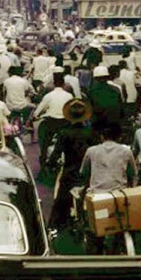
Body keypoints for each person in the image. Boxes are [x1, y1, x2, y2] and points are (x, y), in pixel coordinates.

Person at [80, 122, 138, 280]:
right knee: (121, 231)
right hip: (119, 197)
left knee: (93, 238)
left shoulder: (91, 151)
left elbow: (84, 172)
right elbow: (133, 175)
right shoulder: (126, 151)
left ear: (101, 137)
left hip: (98, 200)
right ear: (120, 137)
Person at [46, 99, 96, 231]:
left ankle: (55, 227)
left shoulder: (64, 133)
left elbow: (56, 153)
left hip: (70, 172)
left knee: (61, 201)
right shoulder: (90, 132)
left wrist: (50, 165)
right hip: (88, 173)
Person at [33, 68, 74, 170]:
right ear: (63, 84)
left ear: (54, 84)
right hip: (66, 123)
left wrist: (36, 117)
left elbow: (37, 112)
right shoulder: (69, 96)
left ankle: (43, 160)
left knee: (45, 143)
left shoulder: (48, 96)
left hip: (51, 123)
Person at [87, 65, 123, 133]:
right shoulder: (116, 89)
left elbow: (89, 109)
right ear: (107, 77)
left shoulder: (91, 91)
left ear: (95, 78)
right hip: (115, 122)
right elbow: (120, 105)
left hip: (99, 123)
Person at [3, 65, 35, 130]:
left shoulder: (6, 81)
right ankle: (27, 123)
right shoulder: (24, 81)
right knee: (34, 107)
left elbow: (4, 93)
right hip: (22, 105)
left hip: (9, 106)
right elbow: (32, 91)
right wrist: (28, 95)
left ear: (10, 73)